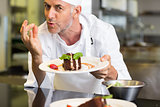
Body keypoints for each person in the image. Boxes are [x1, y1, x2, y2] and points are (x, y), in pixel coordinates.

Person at [20, 0, 131, 94]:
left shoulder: (102, 31)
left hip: (98, 101)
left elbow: (125, 84)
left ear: (76, 11)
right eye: (47, 6)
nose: (49, 15)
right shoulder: (38, 35)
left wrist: (109, 72)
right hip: (57, 102)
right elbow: (39, 90)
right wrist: (36, 57)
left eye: (58, 8)